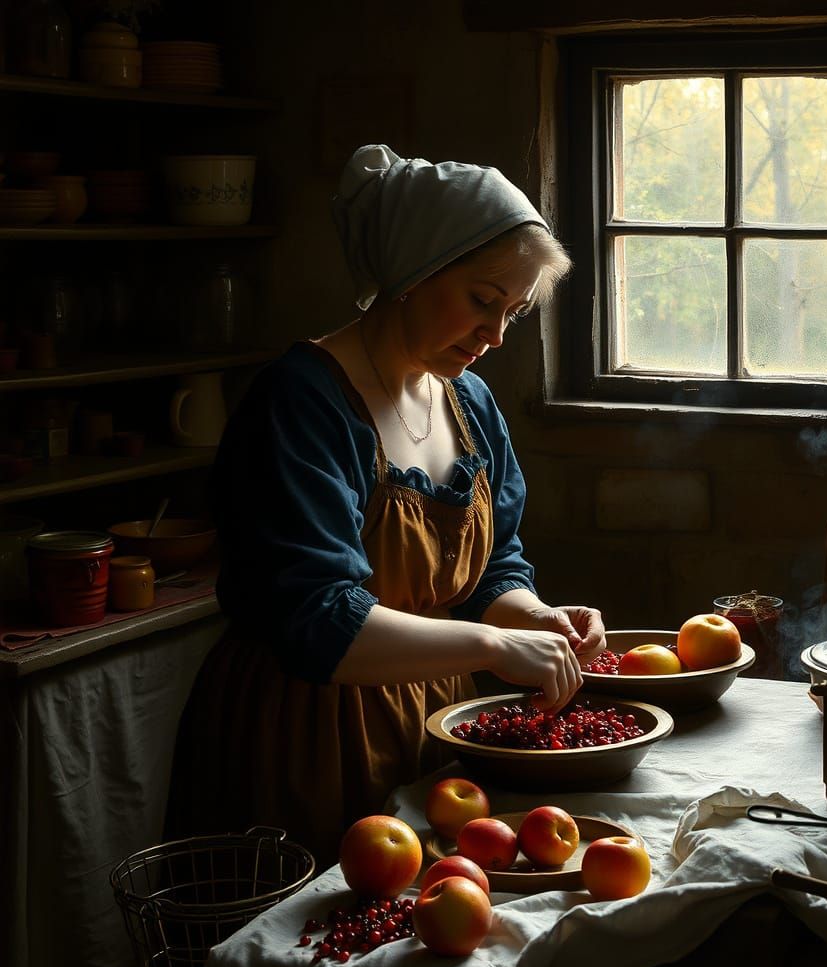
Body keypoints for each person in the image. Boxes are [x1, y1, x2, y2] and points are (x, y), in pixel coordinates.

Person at [166, 144, 607, 866]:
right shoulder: (303, 401)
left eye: (514, 313)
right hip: (304, 732)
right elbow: (317, 619)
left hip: (432, 717)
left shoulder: (467, 400)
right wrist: (497, 648)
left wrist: (534, 618)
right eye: (482, 301)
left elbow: (495, 563)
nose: (496, 335)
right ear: (413, 269)